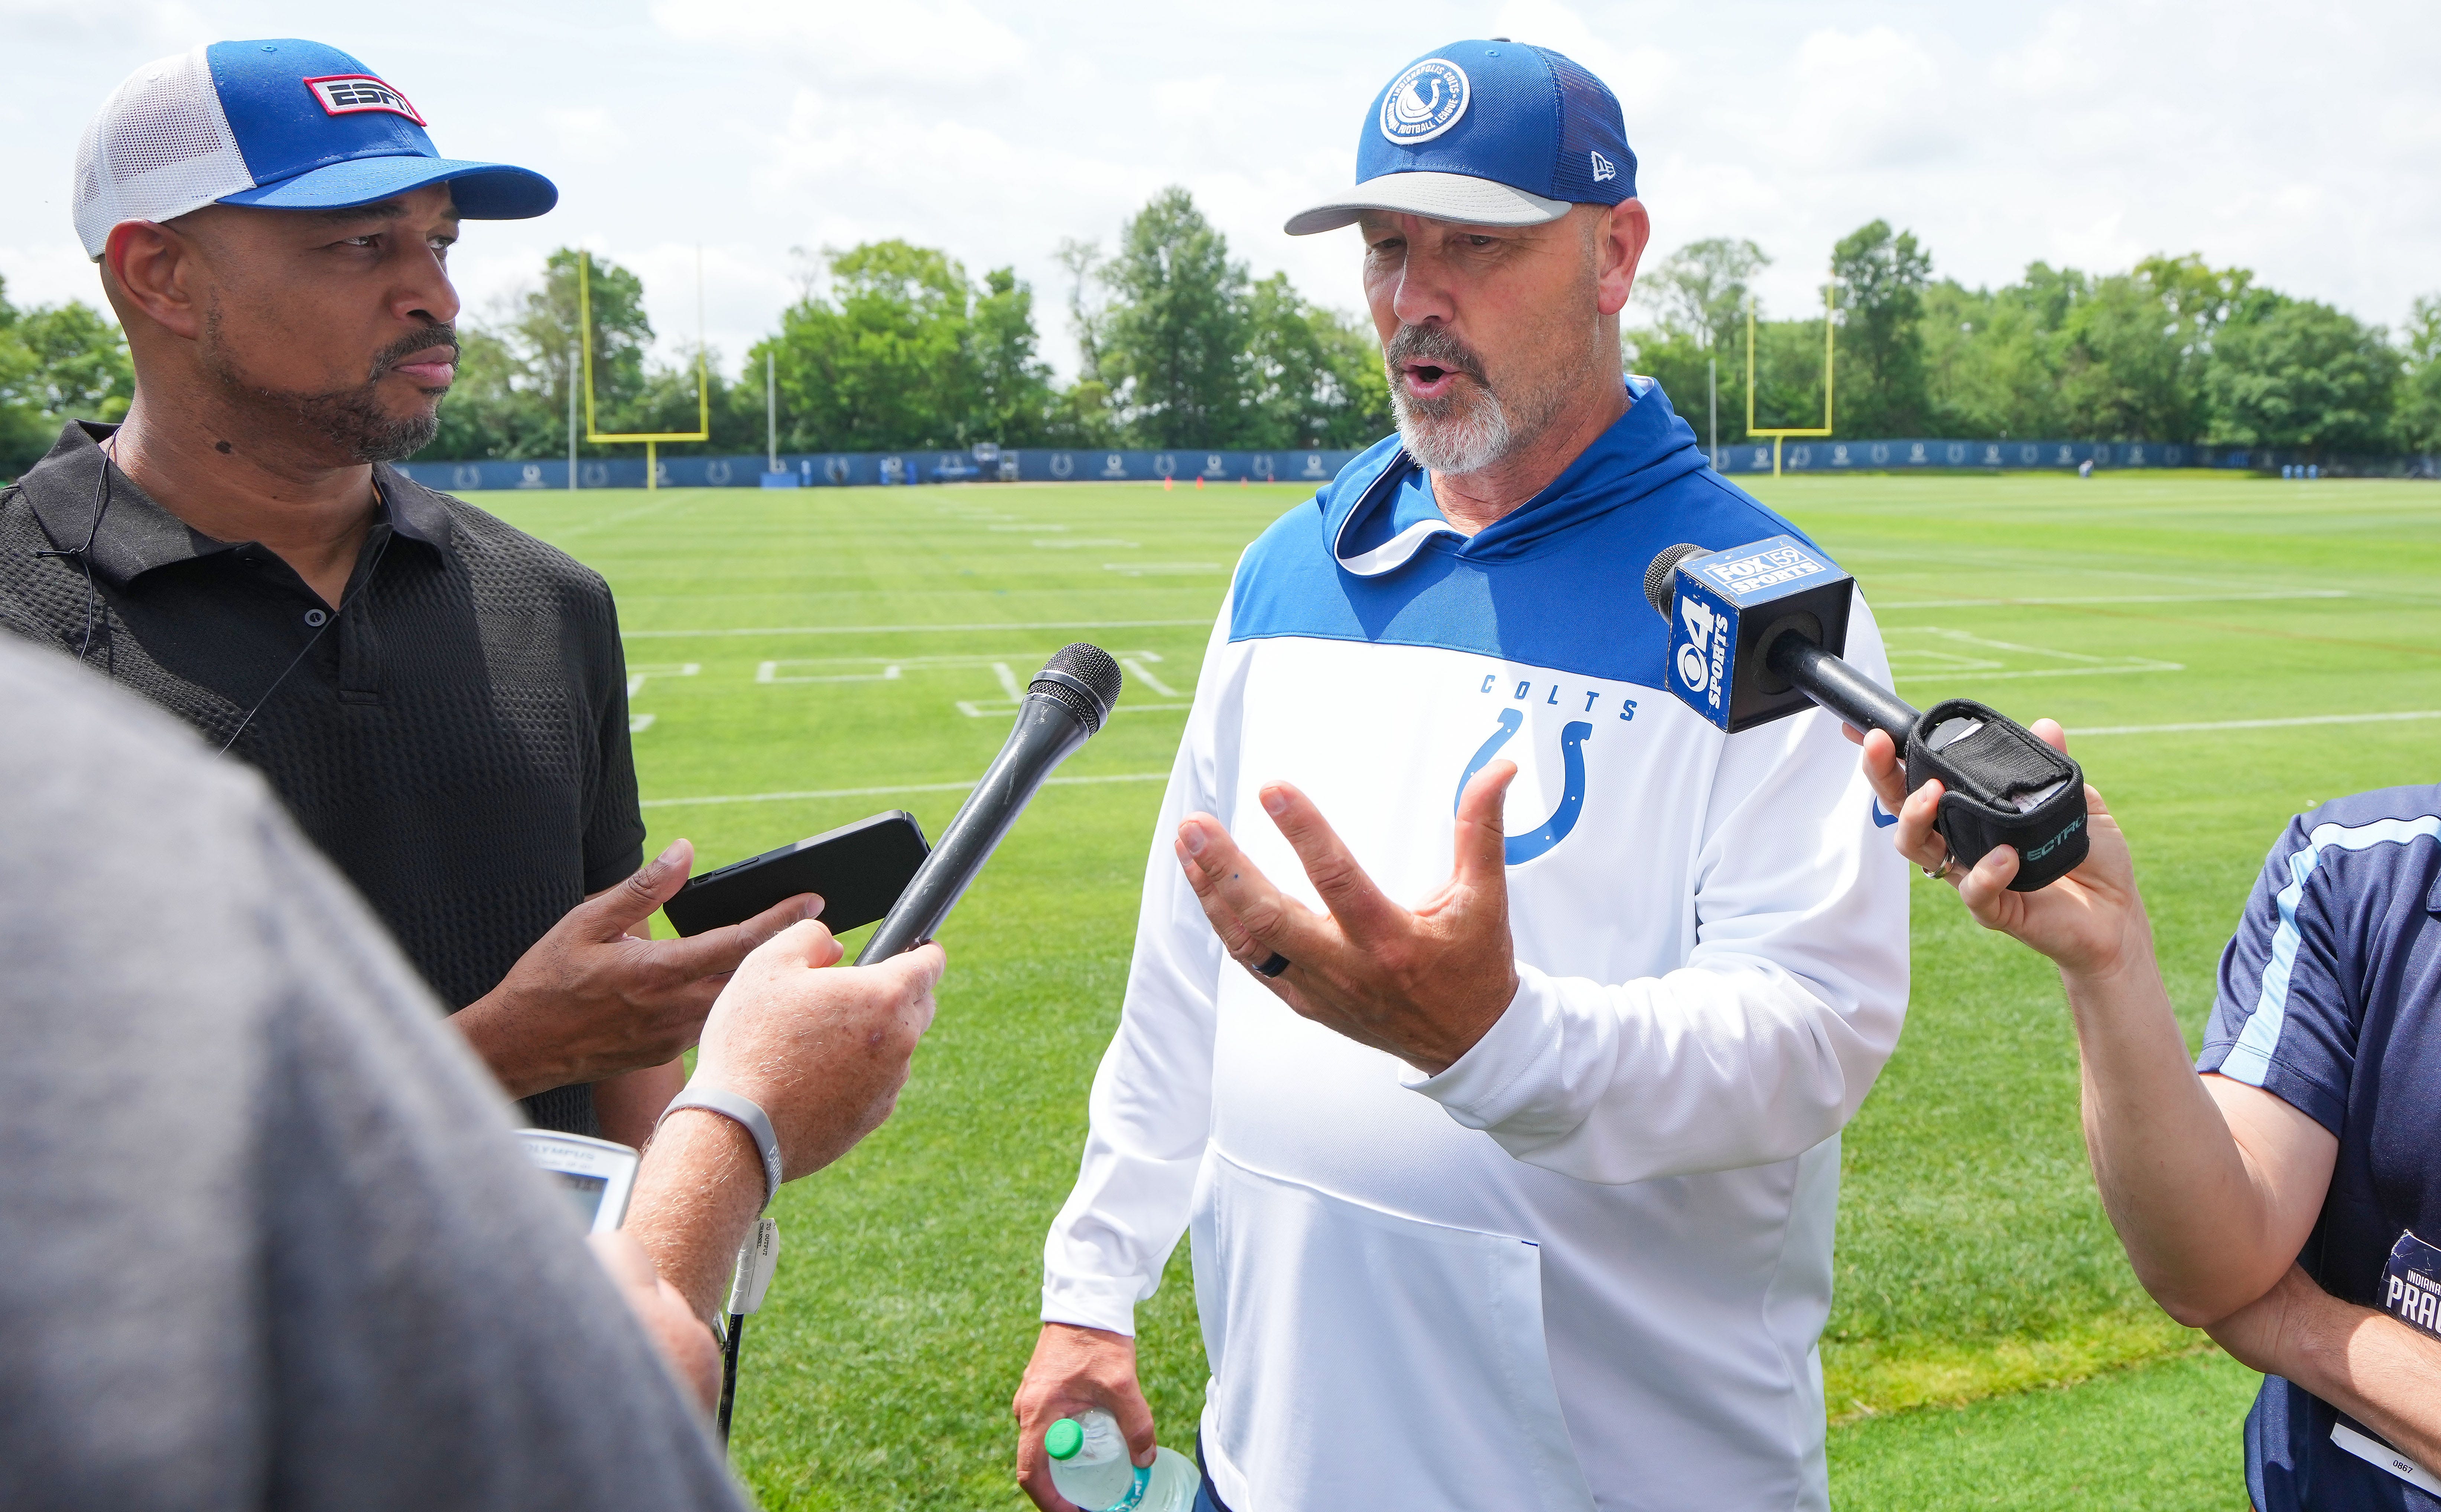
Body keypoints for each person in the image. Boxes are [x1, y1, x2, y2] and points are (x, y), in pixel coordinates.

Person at [1014, 41, 1908, 1512]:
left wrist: (1495, 1037)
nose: (1410, 299)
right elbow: (1187, 969)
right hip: (1274, 1463)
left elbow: (1810, 1036)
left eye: (1474, 246)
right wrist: (1090, 1281)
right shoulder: (1286, 570)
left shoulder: (1762, 609)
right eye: (1385, 246)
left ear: (1613, 255)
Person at [0, 40, 801, 1144]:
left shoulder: (548, 600)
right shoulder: (20, 622)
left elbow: (616, 1034)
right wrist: (498, 1053)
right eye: (360, 242)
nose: (435, 293)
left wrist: (669, 1272)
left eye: (437, 240)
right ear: (160, 276)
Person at [0, 629, 945, 1510]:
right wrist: (738, 1118)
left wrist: (660, 1149)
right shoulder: (35, 652)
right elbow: (623, 1382)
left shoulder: (549, 595)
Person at [1862, 726, 2441, 1509]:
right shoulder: (2360, 867)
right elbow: (2218, 1262)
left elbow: (2253, 1297)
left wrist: (2300, 1329)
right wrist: (2108, 956)